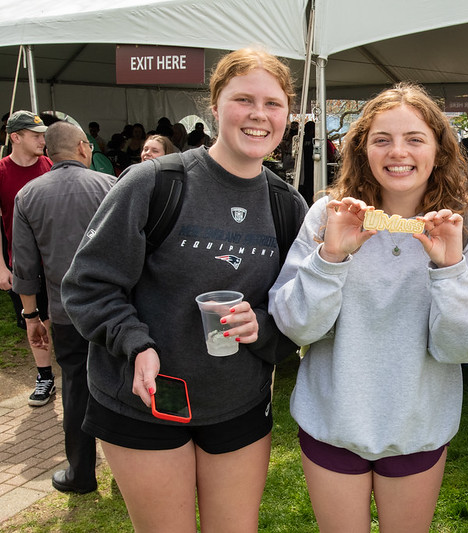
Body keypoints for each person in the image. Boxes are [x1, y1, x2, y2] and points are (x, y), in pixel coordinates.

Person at [61, 47, 307, 532]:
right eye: (243, 100)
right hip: (144, 401)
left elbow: (298, 309)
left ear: (287, 115)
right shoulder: (155, 183)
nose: (258, 114)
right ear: (214, 107)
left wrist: (263, 326)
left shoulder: (287, 205)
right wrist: (136, 344)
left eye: (273, 104)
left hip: (236, 403)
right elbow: (88, 286)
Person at [268, 82, 468, 532]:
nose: (398, 152)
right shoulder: (328, 215)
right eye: (382, 139)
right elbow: (297, 327)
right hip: (332, 421)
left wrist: (450, 269)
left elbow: (460, 349)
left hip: (418, 428)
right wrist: (330, 258)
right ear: (362, 150)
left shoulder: (467, 227)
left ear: (439, 149)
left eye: (415, 139)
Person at [12, 121, 115, 494]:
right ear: (83, 147)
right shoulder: (110, 186)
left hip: (66, 311)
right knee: (121, 386)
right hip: (114, 309)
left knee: (75, 388)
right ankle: (127, 472)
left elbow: (25, 267)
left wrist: (31, 316)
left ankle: (81, 473)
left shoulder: (28, 194)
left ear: (48, 151)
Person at [0, 110, 55, 407]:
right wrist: (1, 267)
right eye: (36, 136)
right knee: (34, 319)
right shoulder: (1, 172)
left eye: (43, 135)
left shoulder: (49, 165)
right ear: (16, 137)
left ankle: (75, 373)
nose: (42, 141)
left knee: (58, 318)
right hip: (22, 263)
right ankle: (45, 376)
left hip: (56, 261)